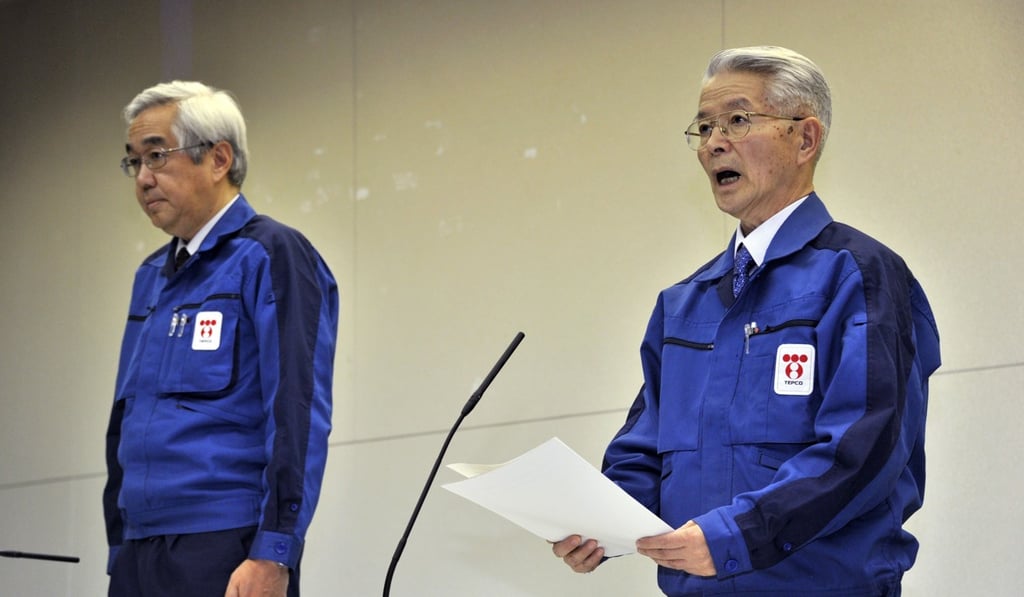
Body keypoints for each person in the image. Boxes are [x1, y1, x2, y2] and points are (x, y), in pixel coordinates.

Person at [552, 46, 940, 596]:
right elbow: (643, 447)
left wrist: (735, 536)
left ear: (805, 139)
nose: (714, 142)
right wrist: (600, 522)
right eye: (704, 126)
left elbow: (864, 448)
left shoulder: (859, 275)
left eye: (737, 120)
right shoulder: (685, 301)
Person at [102, 81, 339, 597]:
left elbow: (297, 410)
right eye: (134, 162)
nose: (143, 178)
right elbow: (127, 416)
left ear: (218, 158)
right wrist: (119, 546)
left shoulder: (272, 254)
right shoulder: (151, 275)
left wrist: (274, 551)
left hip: (222, 546)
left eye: (157, 155)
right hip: (139, 551)